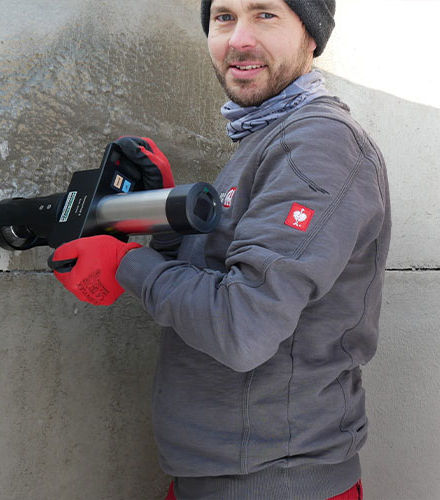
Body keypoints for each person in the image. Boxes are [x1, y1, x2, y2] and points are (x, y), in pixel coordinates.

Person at [51, 0, 391, 498]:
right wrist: (167, 216)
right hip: (219, 474)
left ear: (312, 34)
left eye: (265, 14)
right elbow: (219, 277)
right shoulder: (270, 135)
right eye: (224, 17)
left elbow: (242, 327)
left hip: (276, 484)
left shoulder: (318, 144)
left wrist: (126, 264)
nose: (239, 39)